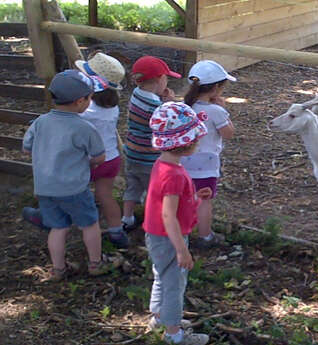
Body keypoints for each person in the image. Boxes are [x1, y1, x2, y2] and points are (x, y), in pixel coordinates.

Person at [22, 70, 113, 281]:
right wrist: (87, 162)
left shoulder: (40, 122)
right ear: (81, 101)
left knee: (57, 227)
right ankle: (95, 263)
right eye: (90, 98)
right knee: (89, 223)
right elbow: (99, 157)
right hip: (74, 188)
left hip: (45, 187)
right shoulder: (84, 128)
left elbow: (27, 149)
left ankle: (58, 269)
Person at [144, 102, 210, 345]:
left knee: (162, 275)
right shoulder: (173, 174)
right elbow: (168, 215)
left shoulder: (163, 165)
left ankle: (159, 317)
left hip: (156, 235)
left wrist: (193, 198)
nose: (198, 142)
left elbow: (166, 203)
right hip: (170, 237)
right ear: (186, 143)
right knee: (174, 284)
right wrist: (182, 249)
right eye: (196, 138)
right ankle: (174, 335)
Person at [75, 52, 129, 248]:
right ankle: (116, 232)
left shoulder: (83, 110)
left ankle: (83, 228)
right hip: (111, 158)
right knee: (105, 195)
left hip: (86, 160)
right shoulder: (112, 108)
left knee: (77, 195)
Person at [121, 56, 181, 232]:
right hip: (149, 157)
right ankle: (152, 222)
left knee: (132, 186)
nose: (167, 81)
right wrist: (169, 104)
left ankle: (127, 218)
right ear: (159, 80)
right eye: (166, 78)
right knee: (153, 191)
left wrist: (162, 102)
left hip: (132, 152)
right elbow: (169, 121)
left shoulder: (136, 94)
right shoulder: (157, 106)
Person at [182, 60, 236, 248]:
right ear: (215, 88)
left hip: (182, 161)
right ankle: (205, 236)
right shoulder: (215, 111)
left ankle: (182, 231)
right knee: (204, 201)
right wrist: (224, 110)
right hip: (206, 164)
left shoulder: (184, 107)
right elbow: (228, 134)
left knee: (185, 198)